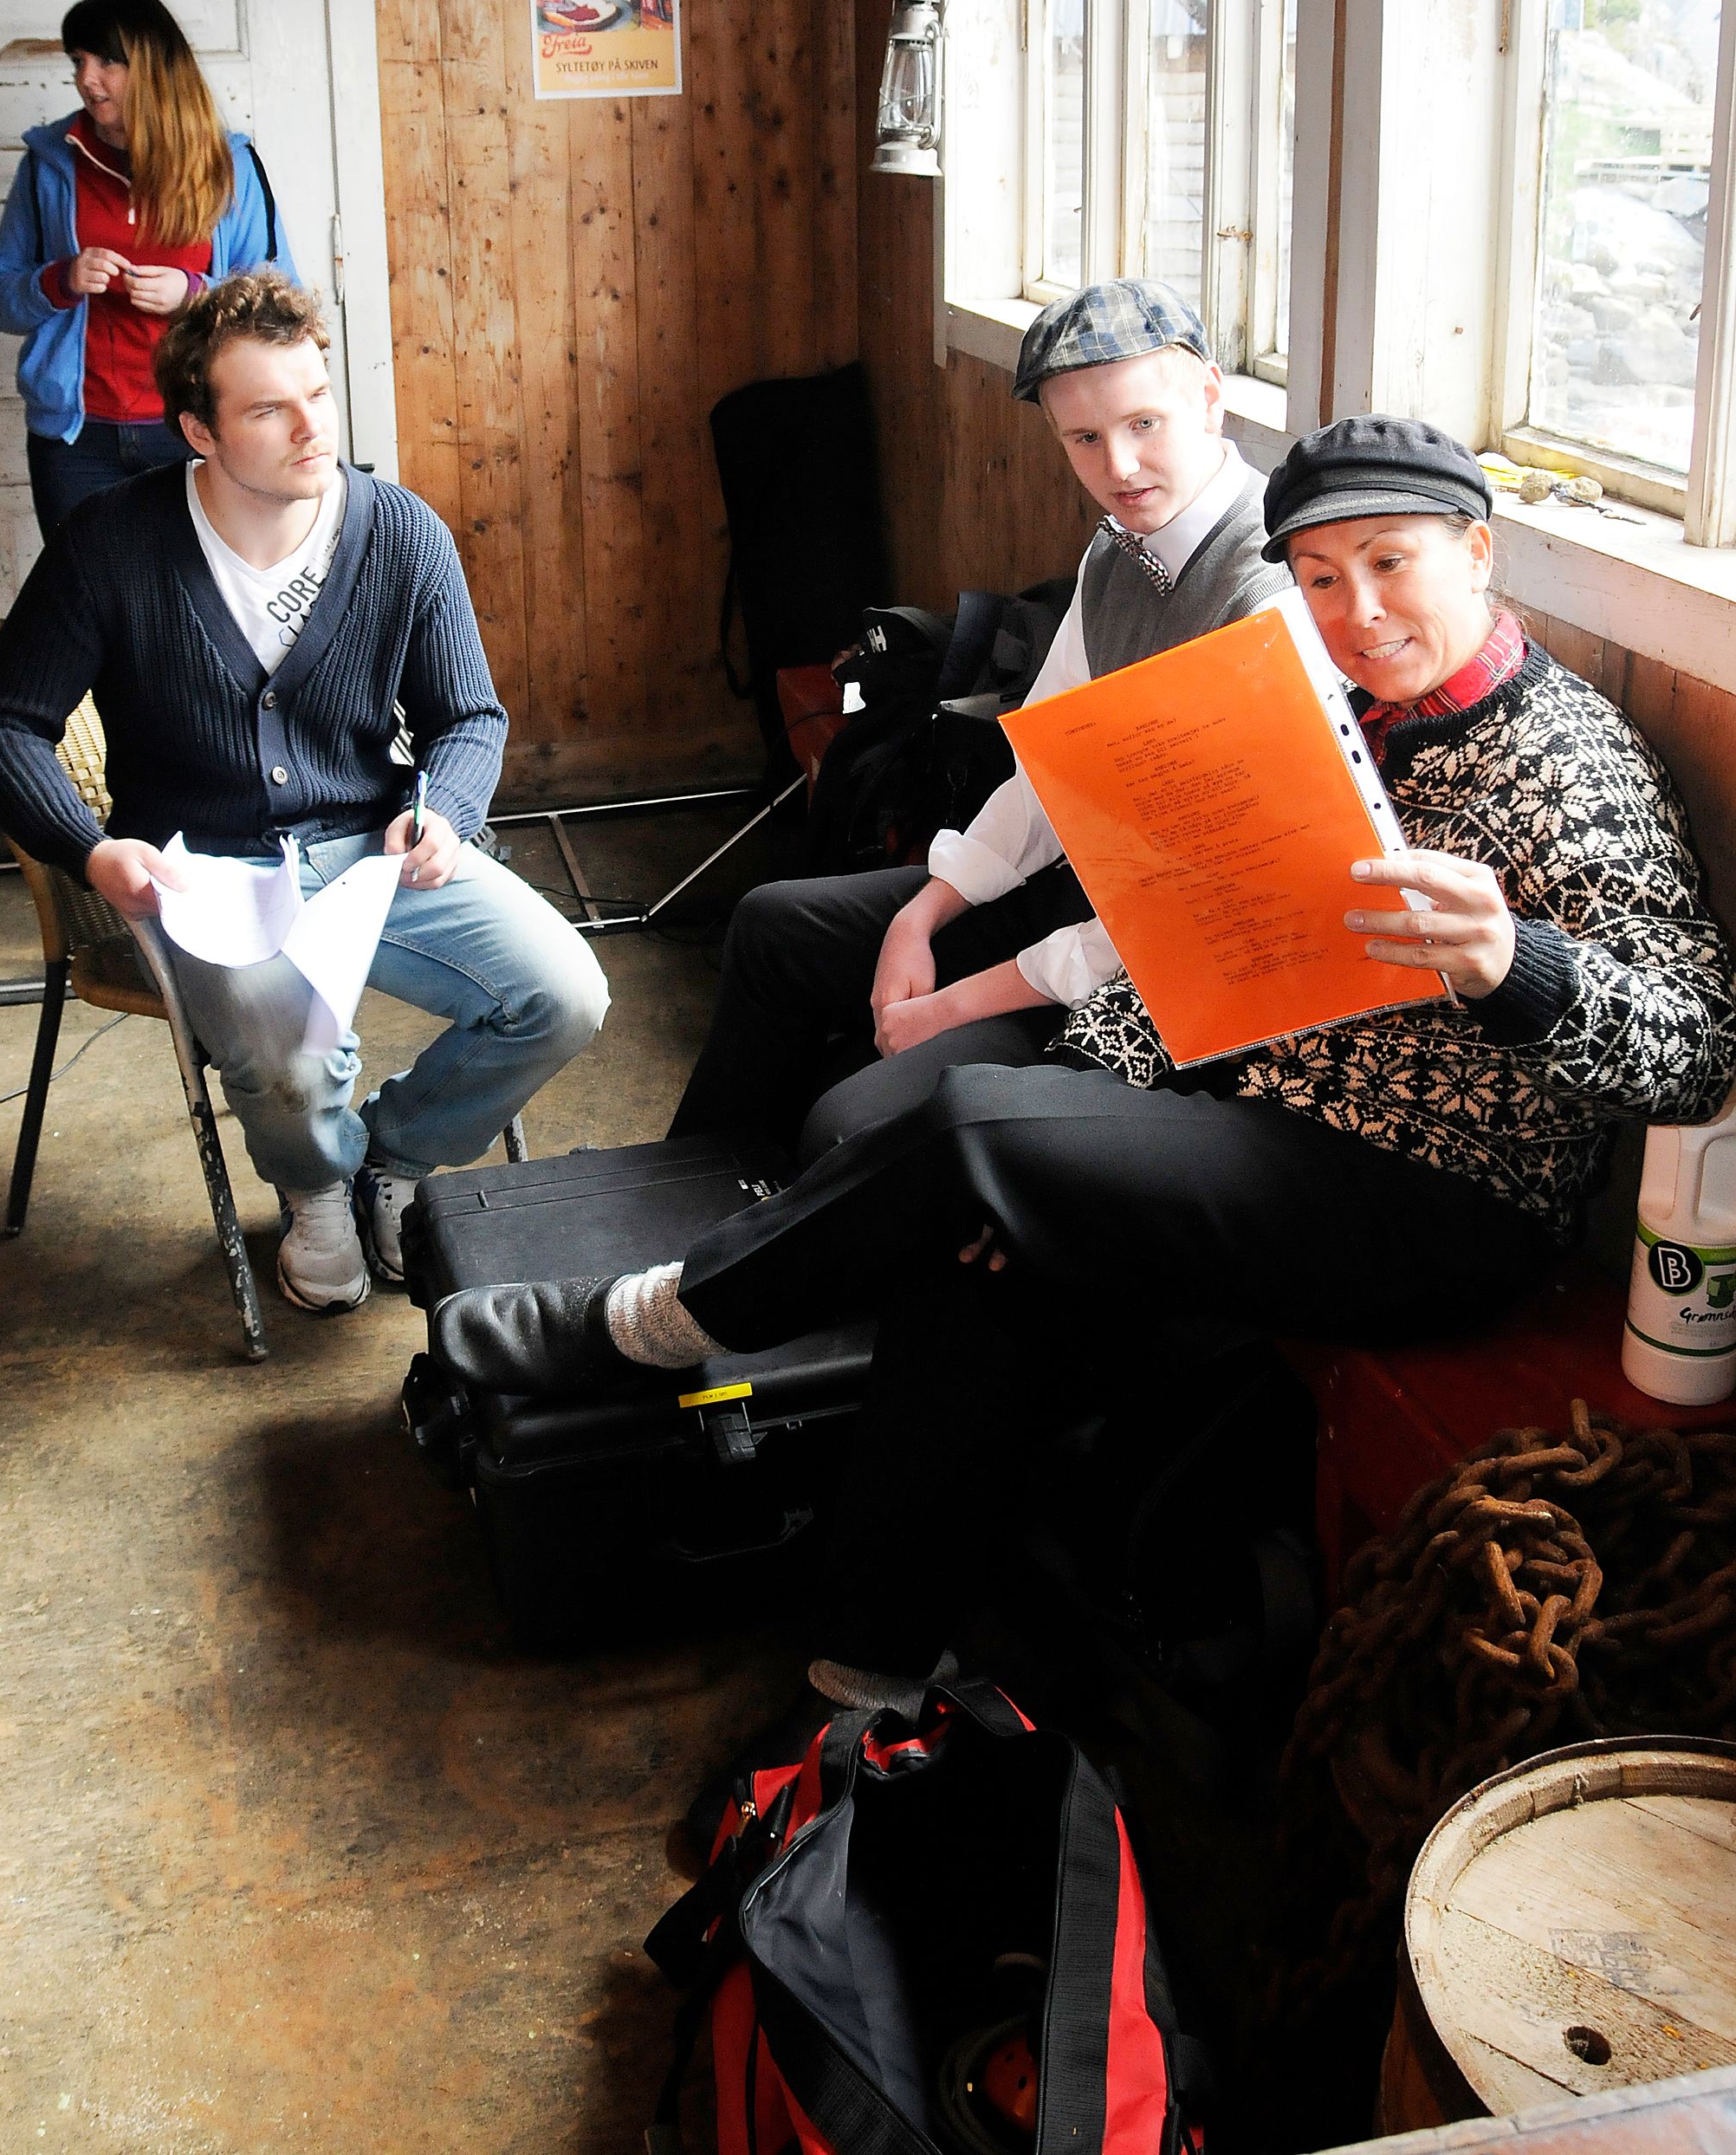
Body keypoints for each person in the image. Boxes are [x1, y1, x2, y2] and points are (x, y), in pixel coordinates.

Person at [431, 415, 1736, 1691]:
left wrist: (1514, 964)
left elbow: (1695, 1051)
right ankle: (869, 1667)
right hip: (1261, 1115)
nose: (1359, 610)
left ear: (1476, 550)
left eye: (1391, 562)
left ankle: (653, 1322)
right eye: (1321, 578)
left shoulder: (1570, 763)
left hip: (1438, 1194)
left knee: (971, 1125)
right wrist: (1070, 1120)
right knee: (977, 1252)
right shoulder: (1324, 715)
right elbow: (1190, 950)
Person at [0, 272, 609, 1317]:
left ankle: (392, 1156)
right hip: (205, 872)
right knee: (294, 1055)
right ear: (198, 431)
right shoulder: (111, 542)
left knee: (564, 995)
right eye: (268, 408)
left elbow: (467, 716)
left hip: (375, 853)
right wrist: (89, 849)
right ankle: (315, 1192)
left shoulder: (400, 532)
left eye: (318, 393)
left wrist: (448, 811)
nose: (312, 428)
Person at [670, 276, 1286, 1161]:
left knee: (850, 1116)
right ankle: (677, 1201)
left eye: (1144, 423)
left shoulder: (1268, 595)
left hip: (1156, 977)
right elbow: (1051, 771)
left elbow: (1180, 919)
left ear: (1210, 397)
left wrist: (953, 1003)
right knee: (773, 925)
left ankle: (769, 1222)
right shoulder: (1118, 548)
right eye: (1084, 438)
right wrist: (920, 914)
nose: (1118, 467)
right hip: (1081, 897)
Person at [0, 0, 298, 541]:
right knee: (87, 591)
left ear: (153, 66)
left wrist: (193, 295)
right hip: (77, 441)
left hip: (200, 428)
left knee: (200, 588)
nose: (87, 79)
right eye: (78, 61)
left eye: (108, 61)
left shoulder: (228, 164)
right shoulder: (51, 162)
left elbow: (281, 305)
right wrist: (60, 280)